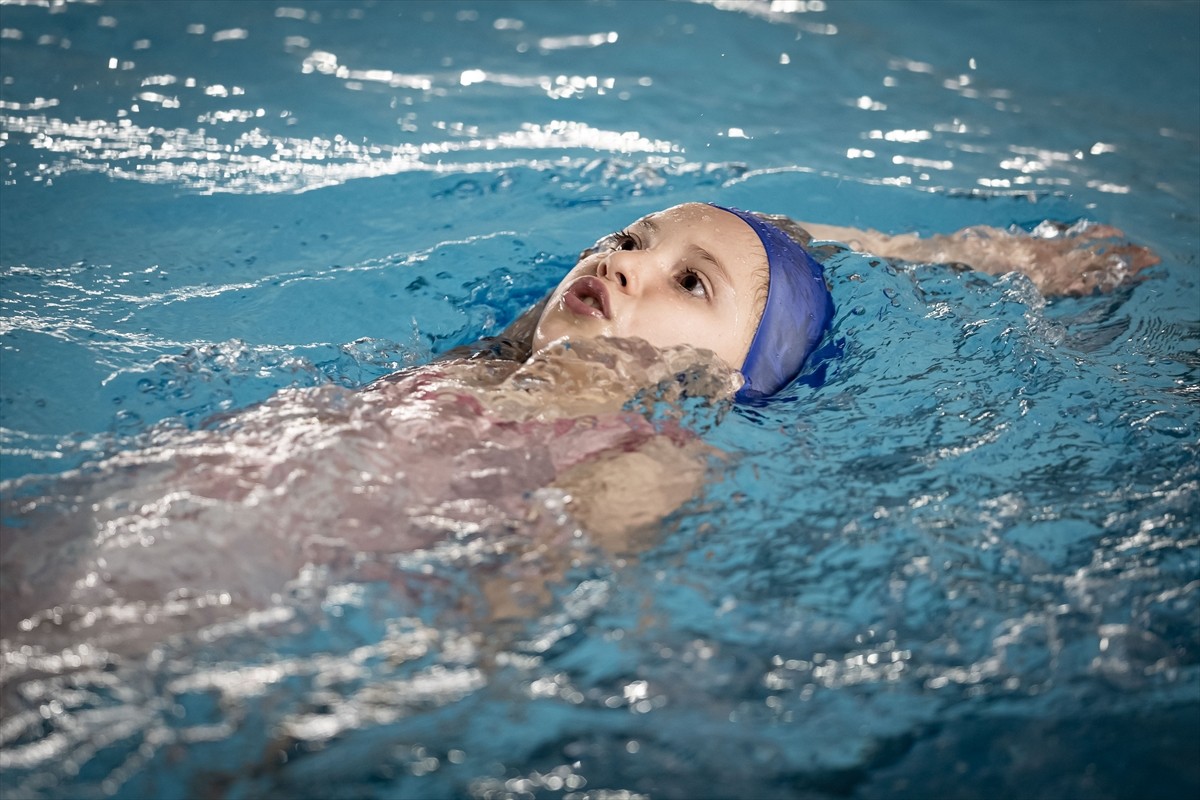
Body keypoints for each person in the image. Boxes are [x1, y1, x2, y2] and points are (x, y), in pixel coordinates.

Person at [0, 202, 1158, 659]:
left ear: (730, 382)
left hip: (220, 611)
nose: (626, 260)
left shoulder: (639, 447)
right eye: (634, 234)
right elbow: (785, 237)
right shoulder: (513, 353)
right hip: (105, 514)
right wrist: (954, 254)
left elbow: (525, 604)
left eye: (688, 283)